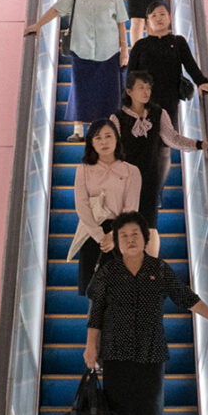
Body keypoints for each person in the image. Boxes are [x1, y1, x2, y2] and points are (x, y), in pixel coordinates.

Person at [83, 213, 208, 415]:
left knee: (150, 403)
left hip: (151, 348)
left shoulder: (158, 269)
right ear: (117, 242)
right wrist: (90, 347)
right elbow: (96, 313)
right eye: (124, 236)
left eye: (135, 235)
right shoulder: (108, 273)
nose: (130, 240)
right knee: (121, 404)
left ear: (145, 239)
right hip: (115, 348)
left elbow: (185, 297)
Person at [27, 0, 129, 136]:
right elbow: (58, 8)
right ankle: (81, 130)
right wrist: (38, 24)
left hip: (108, 52)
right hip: (82, 50)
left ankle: (106, 132)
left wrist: (125, 50)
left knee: (108, 95)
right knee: (83, 92)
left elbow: (121, 23)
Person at [109, 67, 208, 235]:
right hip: (125, 180)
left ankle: (149, 261)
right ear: (129, 91)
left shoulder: (158, 113)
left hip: (150, 176)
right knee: (126, 226)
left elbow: (173, 138)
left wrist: (199, 145)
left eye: (148, 87)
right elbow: (111, 153)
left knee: (149, 227)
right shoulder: (117, 118)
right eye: (141, 87)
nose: (146, 92)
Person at [69, 117, 141, 293]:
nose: (104, 142)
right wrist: (100, 236)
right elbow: (82, 205)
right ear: (91, 143)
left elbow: (131, 209)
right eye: (98, 138)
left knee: (119, 290)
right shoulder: (84, 169)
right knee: (94, 291)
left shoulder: (131, 171)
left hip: (121, 234)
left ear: (117, 138)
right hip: (92, 232)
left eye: (108, 136)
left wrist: (114, 236)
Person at [125, 0, 208, 112]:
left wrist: (201, 82)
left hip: (170, 100)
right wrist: (128, 102)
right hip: (145, 102)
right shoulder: (140, 46)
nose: (158, 18)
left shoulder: (178, 42)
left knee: (169, 127)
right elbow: (130, 74)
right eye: (153, 16)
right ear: (147, 22)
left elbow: (190, 65)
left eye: (162, 14)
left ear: (170, 17)